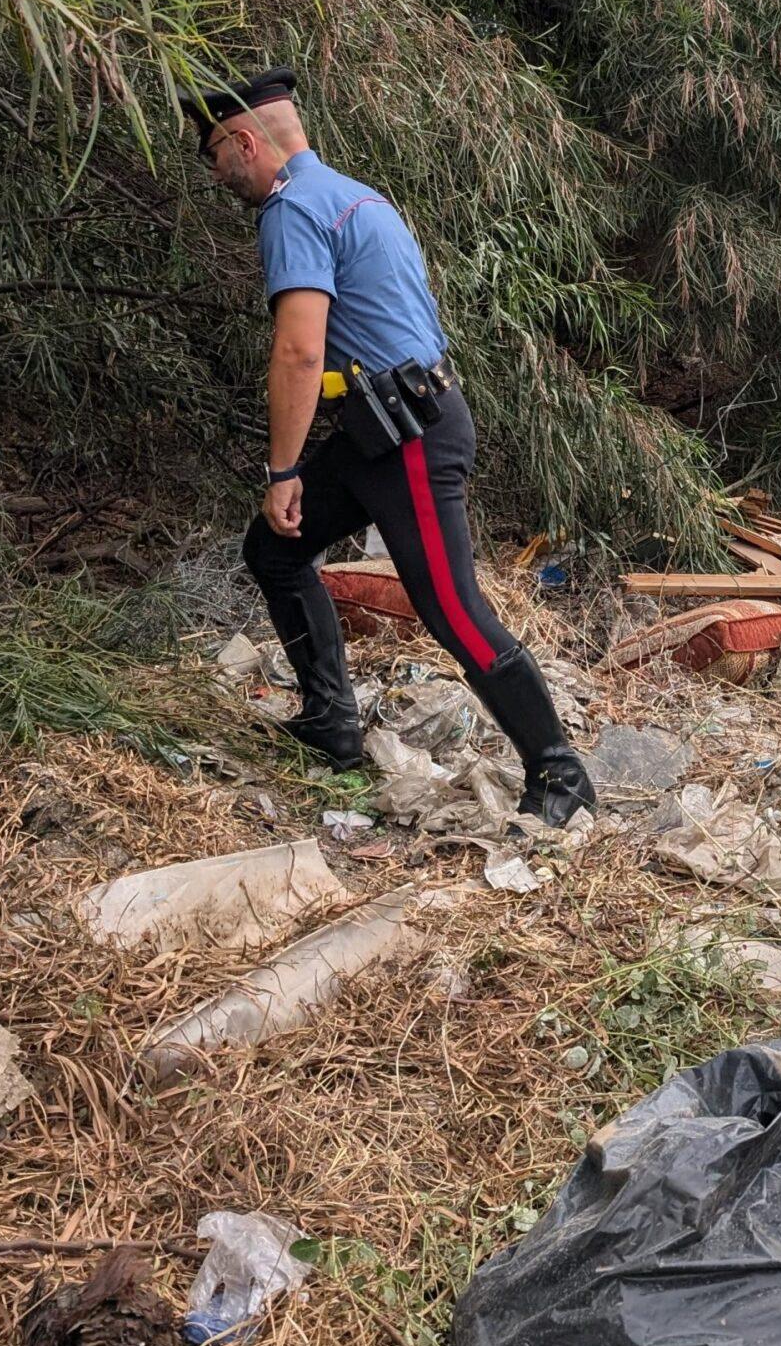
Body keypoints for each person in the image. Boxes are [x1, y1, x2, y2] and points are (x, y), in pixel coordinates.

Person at [186, 68, 596, 825]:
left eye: (214, 152)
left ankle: (560, 774)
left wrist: (283, 471)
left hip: (408, 435)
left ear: (245, 140)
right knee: (273, 552)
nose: (215, 172)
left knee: (452, 610)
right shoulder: (353, 194)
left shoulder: (292, 209)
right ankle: (331, 725)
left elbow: (299, 353)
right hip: (381, 428)